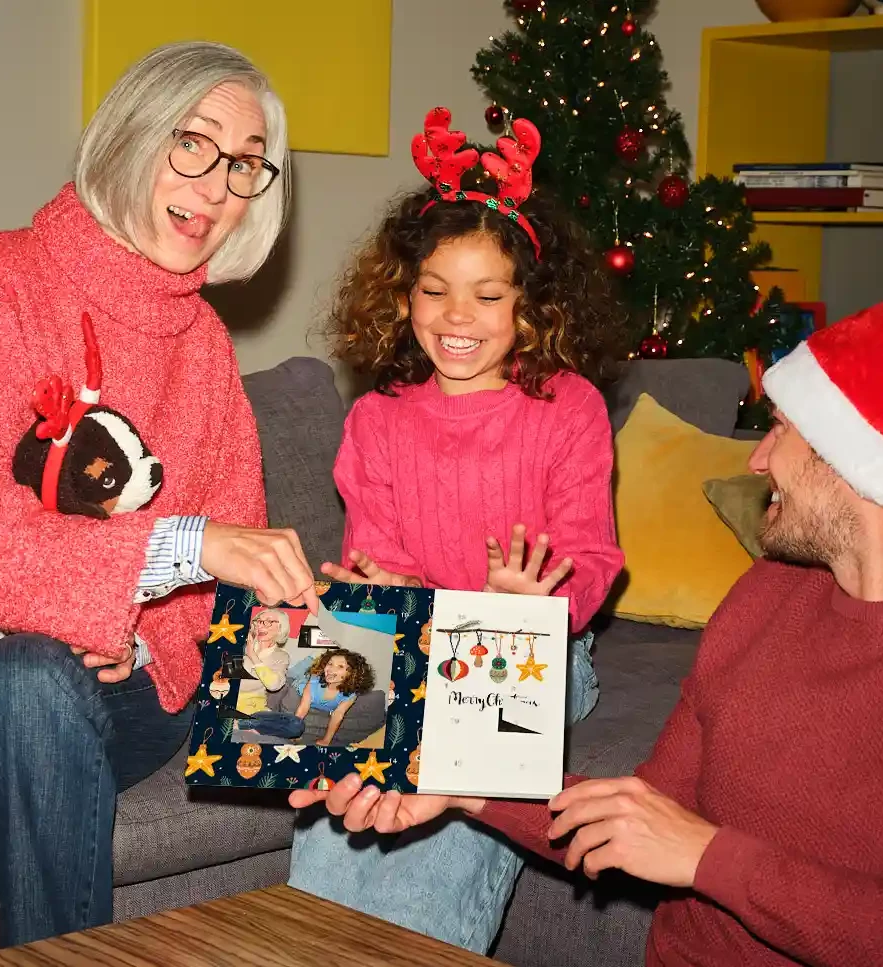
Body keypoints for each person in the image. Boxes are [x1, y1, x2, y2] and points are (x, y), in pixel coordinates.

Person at [294, 291, 883, 966]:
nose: (759, 460)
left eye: (782, 434)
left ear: (862, 464)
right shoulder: (766, 597)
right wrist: (463, 785)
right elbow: (648, 812)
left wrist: (708, 856)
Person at [0, 41, 318, 967]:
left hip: (98, 694)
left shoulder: (205, 353)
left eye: (244, 162)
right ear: (132, 135)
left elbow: (218, 601)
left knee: (39, 677)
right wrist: (163, 553)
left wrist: (143, 634)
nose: (217, 183)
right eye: (192, 142)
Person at [288, 106, 626, 952]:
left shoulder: (568, 409)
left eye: (487, 293)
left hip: (533, 652)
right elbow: (383, 561)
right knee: (339, 809)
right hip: (412, 645)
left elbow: (592, 555)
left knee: (448, 825)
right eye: (433, 290)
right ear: (403, 297)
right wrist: (380, 593)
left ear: (530, 306)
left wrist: (530, 604)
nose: (455, 314)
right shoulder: (377, 418)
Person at [240, 648, 374, 744]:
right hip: (299, 688)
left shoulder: (350, 695)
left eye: (340, 667)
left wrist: (326, 740)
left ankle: (256, 726)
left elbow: (338, 715)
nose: (331, 669)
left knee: (295, 727)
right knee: (295, 724)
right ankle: (249, 721)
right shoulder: (315, 679)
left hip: (313, 695)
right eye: (330, 664)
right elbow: (304, 706)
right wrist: (292, 728)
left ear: (352, 674)